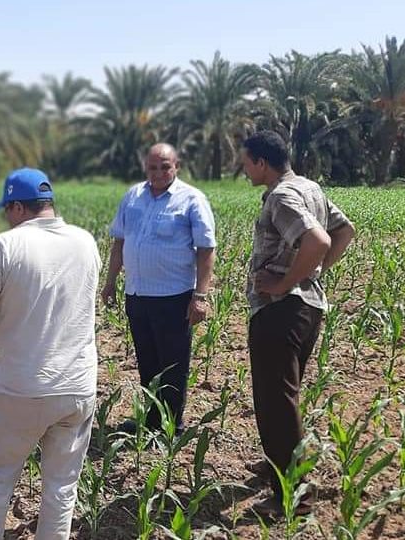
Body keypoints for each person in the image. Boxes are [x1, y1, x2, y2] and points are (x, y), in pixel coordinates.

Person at [0, 168, 101, 540]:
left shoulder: (5, 246)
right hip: (77, 386)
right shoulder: (86, 241)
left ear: (18, 207)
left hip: (23, 388)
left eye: (8, 210)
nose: (7, 219)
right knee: (61, 486)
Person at [241, 130, 355, 517]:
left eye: (246, 162)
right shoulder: (309, 187)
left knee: (276, 402)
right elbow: (345, 231)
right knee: (283, 398)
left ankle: (294, 497)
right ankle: (278, 465)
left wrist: (285, 282)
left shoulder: (281, 196)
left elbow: (319, 240)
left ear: (261, 162)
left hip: (281, 311)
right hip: (307, 310)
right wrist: (312, 274)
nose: (244, 169)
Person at [101, 143, 217, 432]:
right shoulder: (133, 196)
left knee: (173, 365)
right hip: (137, 295)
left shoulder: (191, 199)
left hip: (173, 297)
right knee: (147, 361)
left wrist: (200, 296)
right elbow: (119, 242)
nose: (158, 173)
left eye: (165, 167)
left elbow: (206, 249)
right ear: (145, 168)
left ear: (177, 166)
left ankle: (171, 426)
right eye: (152, 167)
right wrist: (110, 282)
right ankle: (151, 421)